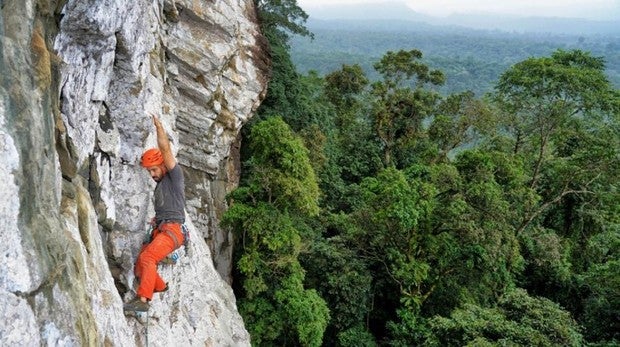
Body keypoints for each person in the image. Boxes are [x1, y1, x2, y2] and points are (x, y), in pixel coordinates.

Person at [124, 114, 186, 312]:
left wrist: (159, 127)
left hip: (172, 231)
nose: (152, 175)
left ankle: (142, 301)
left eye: (154, 170)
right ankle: (159, 285)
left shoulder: (174, 177)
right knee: (139, 266)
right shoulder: (161, 186)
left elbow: (165, 149)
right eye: (149, 171)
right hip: (162, 229)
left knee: (148, 258)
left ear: (162, 166)